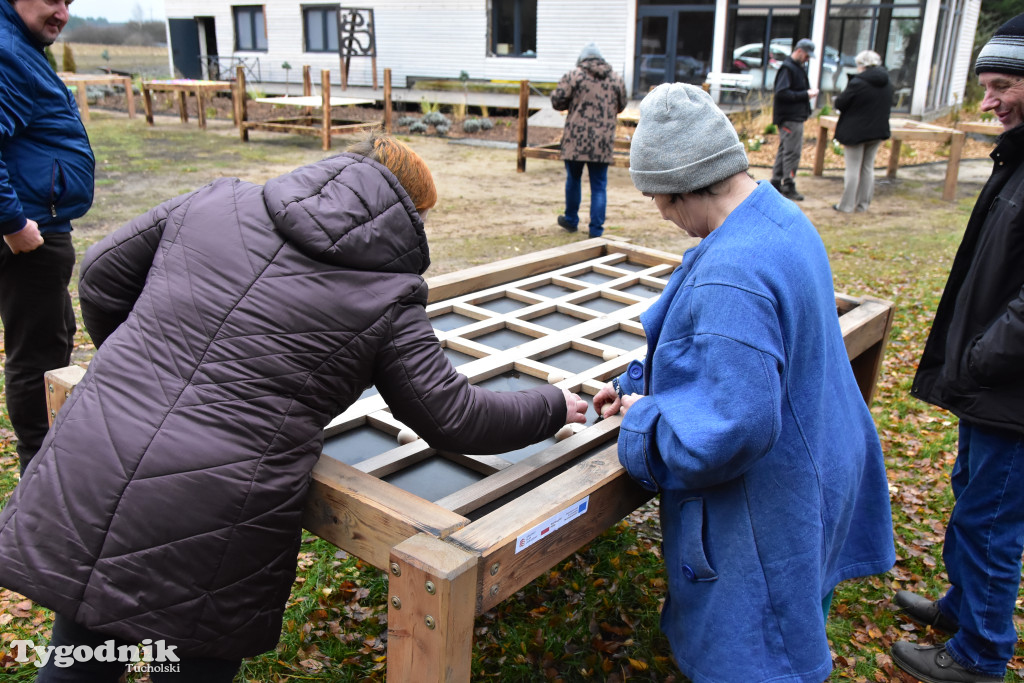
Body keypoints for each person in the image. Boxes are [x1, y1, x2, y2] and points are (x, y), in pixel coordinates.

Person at [0, 133, 589, 681]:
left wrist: (146, 375)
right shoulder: (388, 290)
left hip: (96, 456)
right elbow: (455, 416)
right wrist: (554, 404)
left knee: (79, 654)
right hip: (211, 513)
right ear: (407, 214)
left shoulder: (216, 200)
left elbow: (100, 278)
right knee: (187, 664)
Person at [592, 83, 895, 682]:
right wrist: (643, 387)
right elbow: (743, 360)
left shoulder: (732, 274)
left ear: (679, 183)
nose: (658, 212)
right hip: (822, 467)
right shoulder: (778, 215)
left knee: (763, 654)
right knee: (801, 606)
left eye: (655, 195)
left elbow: (728, 433)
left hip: (770, 509)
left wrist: (643, 422)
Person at [889, 13, 1024, 683]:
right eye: (987, 84)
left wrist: (984, 354)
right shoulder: (1019, 152)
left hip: (1011, 388)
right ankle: (962, 607)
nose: (990, 100)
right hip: (992, 383)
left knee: (991, 521)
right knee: (973, 498)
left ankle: (980, 654)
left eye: (1003, 84)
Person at [0, 0, 94, 474]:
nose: (61, 12)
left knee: (52, 342)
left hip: (42, 226)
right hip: (29, 234)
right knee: (36, 356)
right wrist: (13, 224)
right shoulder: (7, 50)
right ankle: (42, 468)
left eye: (68, 3)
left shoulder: (19, 42)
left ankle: (53, 455)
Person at [550, 42, 627, 238]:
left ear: (582, 59)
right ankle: (596, 230)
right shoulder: (615, 78)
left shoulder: (574, 75)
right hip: (602, 141)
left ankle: (571, 220)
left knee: (573, 179)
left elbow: (557, 101)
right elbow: (622, 105)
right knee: (599, 186)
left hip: (576, 140)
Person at [832, 50, 893, 213]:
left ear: (861, 65)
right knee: (867, 168)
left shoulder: (858, 83)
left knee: (852, 169)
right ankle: (863, 205)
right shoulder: (887, 82)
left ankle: (845, 206)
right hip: (877, 131)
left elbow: (841, 103)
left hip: (855, 132)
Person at [770, 38, 819, 201]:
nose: (807, 59)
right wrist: (806, 95)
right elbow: (782, 93)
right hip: (790, 117)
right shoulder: (788, 68)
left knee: (785, 149)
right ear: (799, 51)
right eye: (806, 56)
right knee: (792, 151)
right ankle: (788, 184)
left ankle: (776, 182)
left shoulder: (796, 68)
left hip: (792, 116)